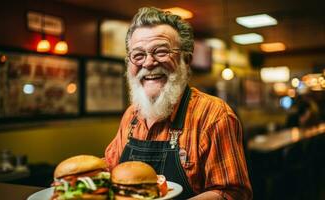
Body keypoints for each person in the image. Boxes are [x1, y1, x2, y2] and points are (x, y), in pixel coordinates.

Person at [104, 7, 252, 200]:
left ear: (186, 60)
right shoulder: (131, 115)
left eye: (161, 51)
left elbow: (233, 193)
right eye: (138, 55)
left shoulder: (214, 115)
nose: (148, 63)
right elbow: (110, 168)